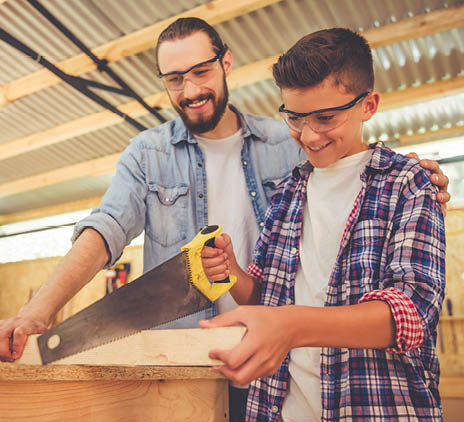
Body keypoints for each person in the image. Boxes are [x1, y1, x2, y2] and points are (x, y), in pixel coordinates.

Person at [0, 18, 448, 421]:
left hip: (310, 376)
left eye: (200, 71)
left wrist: (414, 176)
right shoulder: (153, 155)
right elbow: (106, 228)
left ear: (226, 63)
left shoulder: (290, 147)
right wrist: (36, 314)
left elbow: (353, 162)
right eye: (175, 78)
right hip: (197, 362)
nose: (190, 89)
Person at [200, 28, 446, 421]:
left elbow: (412, 313)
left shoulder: (408, 182)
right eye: (294, 118)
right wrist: (233, 274)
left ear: (368, 105)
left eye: (326, 117)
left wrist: (292, 326)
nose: (309, 135)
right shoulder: (287, 193)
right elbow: (267, 297)